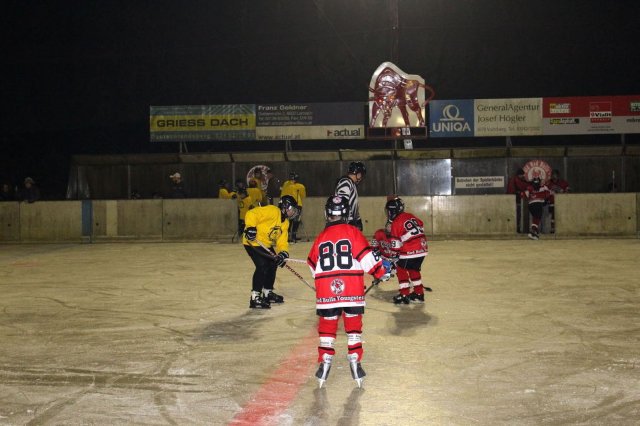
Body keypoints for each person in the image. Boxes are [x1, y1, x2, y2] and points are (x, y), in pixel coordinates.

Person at [307, 195, 391, 388]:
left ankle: (324, 363)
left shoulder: (320, 237)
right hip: (352, 291)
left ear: (327, 213)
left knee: (327, 329)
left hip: (327, 294)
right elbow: (368, 260)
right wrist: (381, 272)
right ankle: (355, 362)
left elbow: (312, 266)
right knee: (353, 328)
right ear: (347, 213)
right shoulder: (353, 232)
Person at [242, 195, 300, 309]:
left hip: (265, 245)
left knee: (273, 264)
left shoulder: (285, 223)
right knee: (262, 266)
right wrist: (250, 227)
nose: (294, 212)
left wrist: (283, 253)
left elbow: (282, 241)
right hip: (252, 242)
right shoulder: (273, 211)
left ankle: (267, 292)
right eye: (292, 209)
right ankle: (255, 297)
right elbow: (252, 213)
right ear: (285, 207)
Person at [384, 197, 429, 304]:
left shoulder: (396, 222)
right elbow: (421, 224)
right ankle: (419, 293)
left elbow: (395, 245)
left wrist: (393, 257)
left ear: (392, 211)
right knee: (413, 269)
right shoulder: (410, 216)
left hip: (410, 249)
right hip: (423, 248)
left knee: (401, 269)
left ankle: (404, 294)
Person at [334, 161, 366, 230]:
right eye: (361, 175)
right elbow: (342, 202)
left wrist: (357, 218)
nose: (361, 178)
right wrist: (351, 221)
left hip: (347, 222)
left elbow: (351, 203)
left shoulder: (350, 183)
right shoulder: (346, 182)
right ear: (358, 174)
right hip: (345, 223)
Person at [280, 172, 306, 242]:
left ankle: (287, 236)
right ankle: (293, 236)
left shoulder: (285, 184)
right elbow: (303, 195)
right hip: (296, 204)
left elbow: (282, 194)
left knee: (288, 220)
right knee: (296, 220)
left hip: (286, 205)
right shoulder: (300, 186)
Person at [546, 169, 570, 233]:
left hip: (561, 203)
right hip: (551, 202)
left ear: (558, 175)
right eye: (553, 175)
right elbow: (545, 193)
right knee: (553, 215)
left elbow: (568, 190)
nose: (554, 176)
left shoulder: (563, 182)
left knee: (561, 216)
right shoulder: (548, 183)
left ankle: (562, 228)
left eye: (555, 175)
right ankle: (552, 228)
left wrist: (565, 192)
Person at [506, 168, 529, 233]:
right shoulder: (516, 180)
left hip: (513, 200)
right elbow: (521, 187)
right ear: (519, 175)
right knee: (517, 215)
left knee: (516, 215)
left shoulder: (515, 179)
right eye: (522, 175)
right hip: (514, 200)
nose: (523, 176)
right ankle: (516, 229)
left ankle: (516, 228)